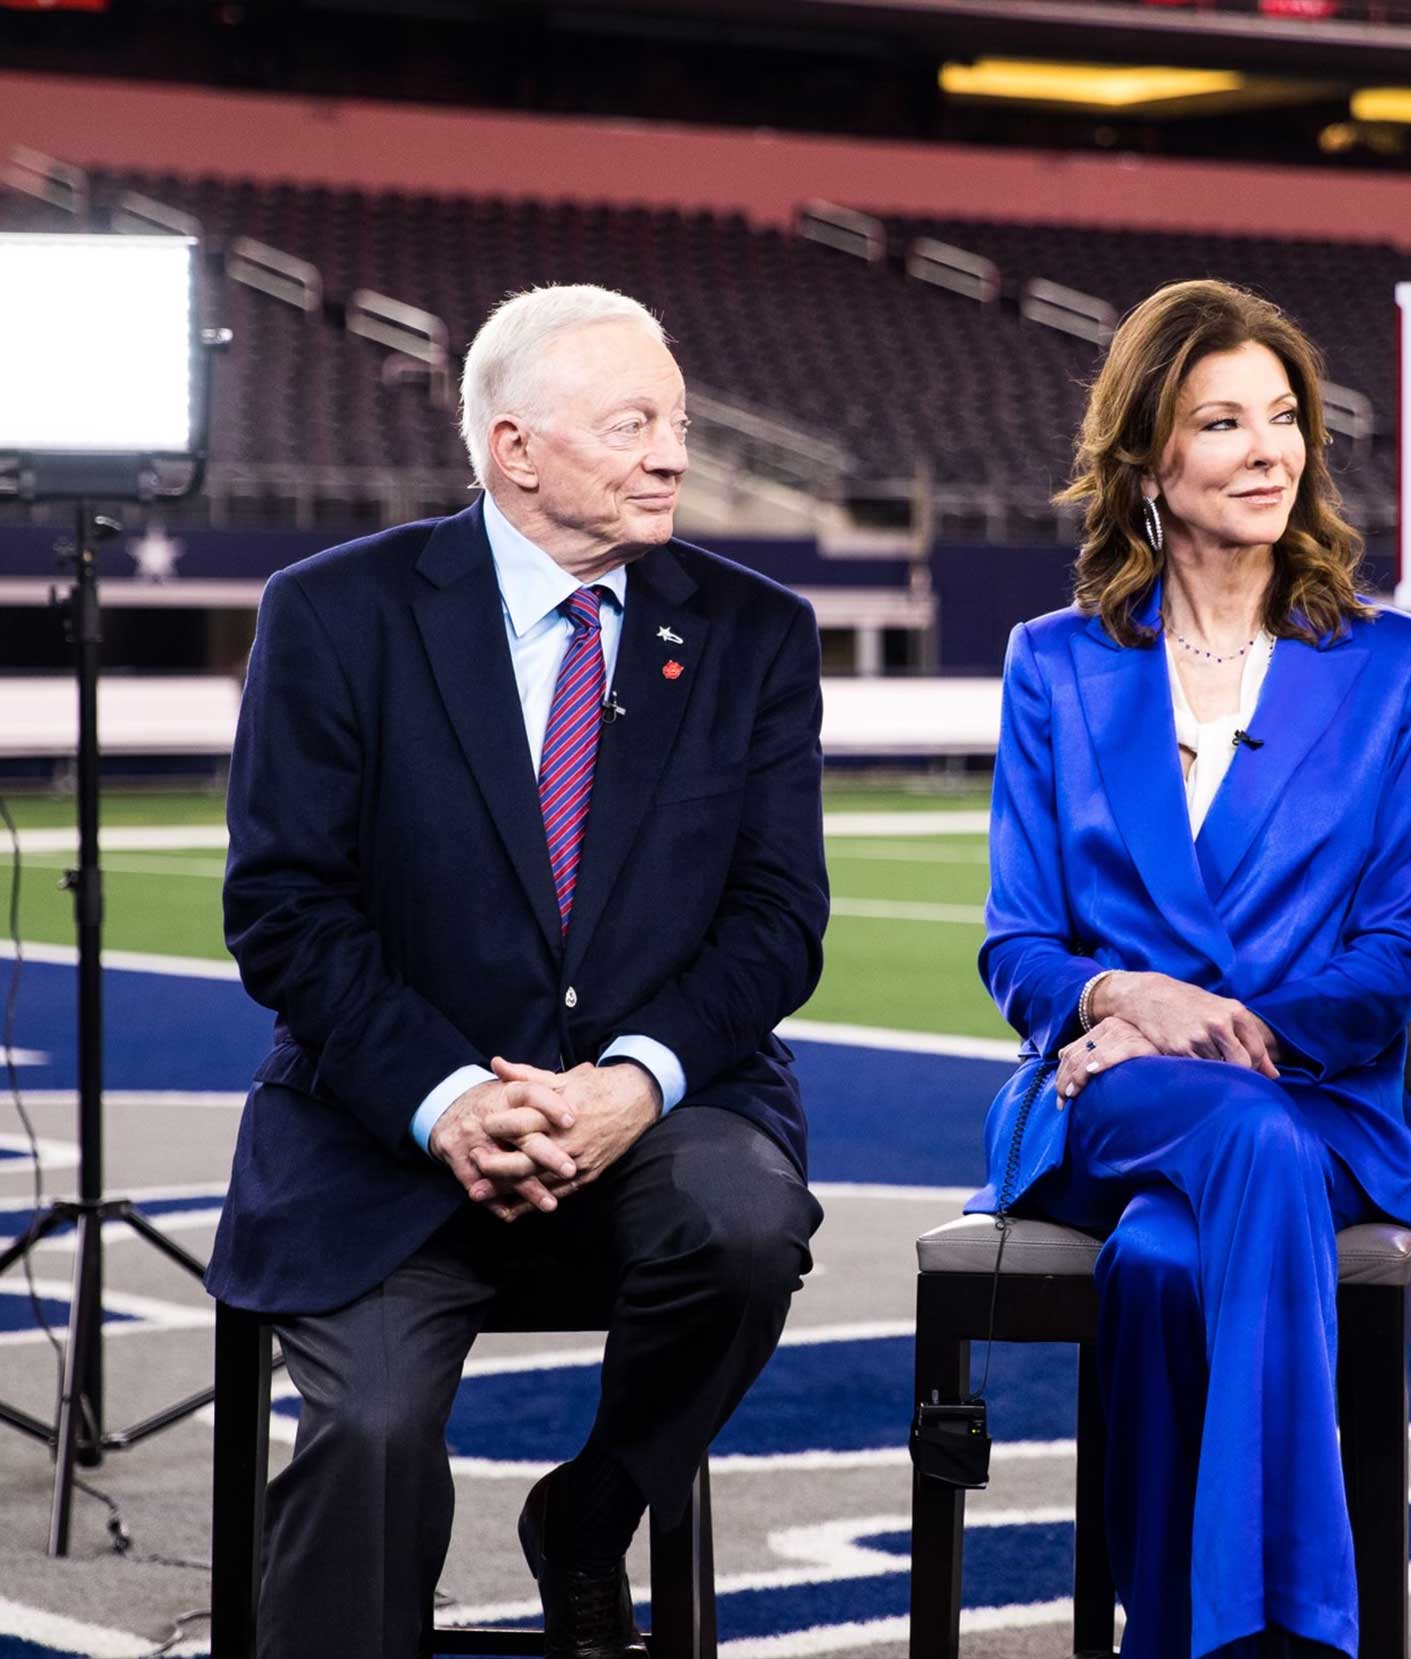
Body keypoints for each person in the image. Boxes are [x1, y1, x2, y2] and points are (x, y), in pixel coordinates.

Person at [209, 284, 830, 1659]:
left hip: (660, 1112)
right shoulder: (332, 614)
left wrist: (632, 1082)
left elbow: (779, 921)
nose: (674, 452)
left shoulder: (753, 632)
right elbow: (285, 909)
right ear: (513, 448)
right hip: (386, 1128)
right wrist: (444, 1098)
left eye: (676, 420)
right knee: (369, 1432)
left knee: (744, 1230)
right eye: (634, 423)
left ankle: (591, 1514)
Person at [972, 278, 1411, 1658]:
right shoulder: (1055, 667)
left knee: (1167, 1262)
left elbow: (1397, 956)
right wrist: (1120, 999)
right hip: (1103, 1093)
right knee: (1237, 1153)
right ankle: (1286, 1630)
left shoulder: (1395, 668)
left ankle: (1170, 1633)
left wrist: (1203, 1026)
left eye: (1286, 417)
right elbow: (1019, 944)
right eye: (1222, 421)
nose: (1269, 449)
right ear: (1148, 461)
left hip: (1320, 1102)